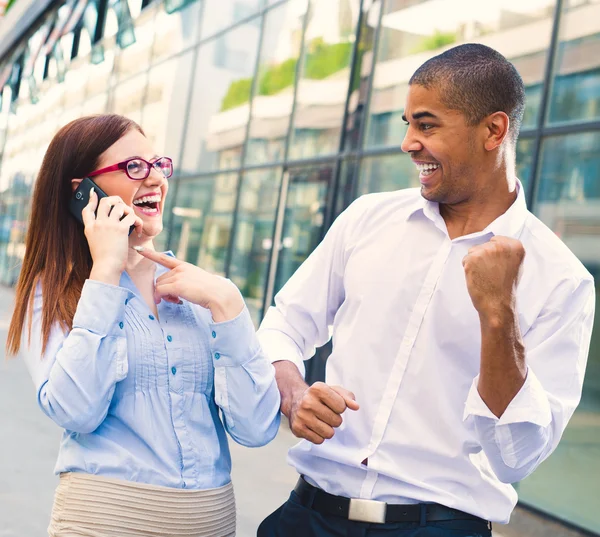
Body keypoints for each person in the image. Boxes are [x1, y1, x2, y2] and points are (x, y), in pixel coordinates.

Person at [256, 44, 596, 537]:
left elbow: (518, 455)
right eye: (407, 124)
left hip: (439, 526)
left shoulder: (560, 277)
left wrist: (497, 313)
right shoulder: (366, 218)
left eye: (427, 125)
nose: (409, 143)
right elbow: (285, 323)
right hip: (307, 515)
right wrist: (293, 394)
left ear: (493, 130)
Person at [6, 114, 281, 537]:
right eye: (134, 167)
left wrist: (229, 305)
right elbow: (76, 410)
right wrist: (106, 271)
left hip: (210, 521)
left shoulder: (201, 291)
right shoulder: (52, 292)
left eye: (158, 164)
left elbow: (257, 427)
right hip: (104, 522)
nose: (155, 179)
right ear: (83, 194)